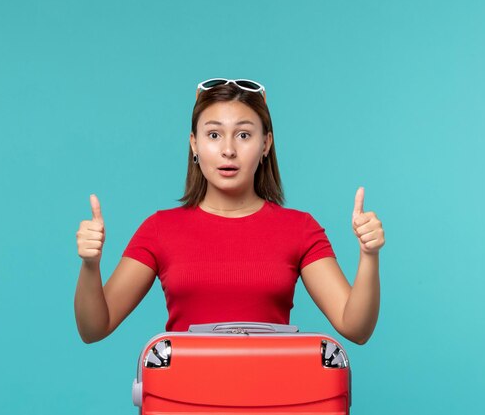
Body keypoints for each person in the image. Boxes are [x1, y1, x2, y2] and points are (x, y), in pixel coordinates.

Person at [74, 78, 385, 344]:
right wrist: (91, 265)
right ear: (194, 144)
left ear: (266, 144)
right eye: (213, 134)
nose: (228, 150)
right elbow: (93, 328)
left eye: (244, 134)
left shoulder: (300, 229)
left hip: (274, 401)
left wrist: (369, 256)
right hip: (182, 401)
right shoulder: (159, 229)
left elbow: (355, 328)